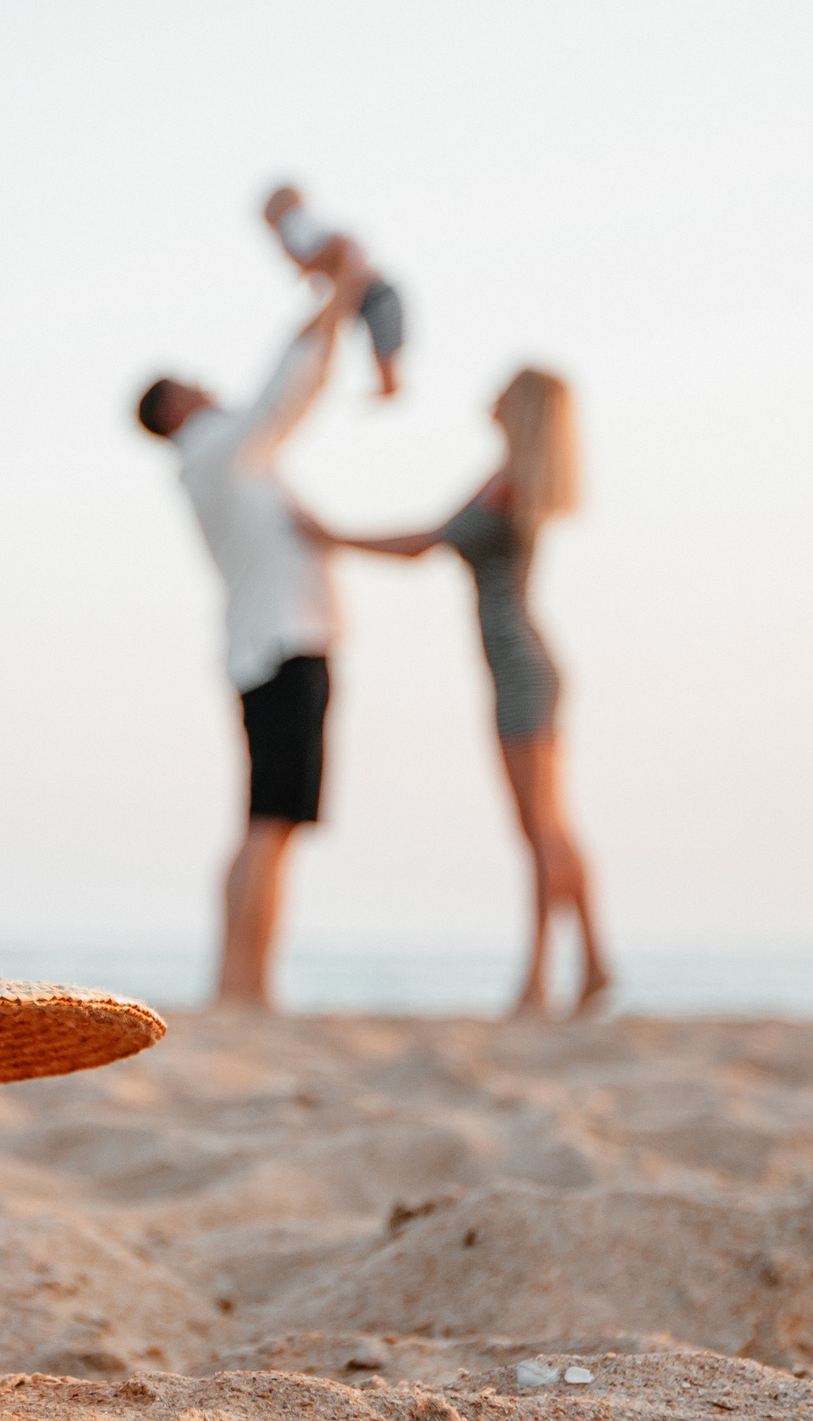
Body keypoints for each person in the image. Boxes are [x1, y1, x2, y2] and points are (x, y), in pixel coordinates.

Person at [297, 367, 613, 1019]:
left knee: (539, 828)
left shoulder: (508, 484)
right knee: (550, 826)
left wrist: (333, 536)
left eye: (504, 389)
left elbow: (425, 542)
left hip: (521, 667)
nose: (490, 393)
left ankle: (540, 977)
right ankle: (592, 967)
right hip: (524, 664)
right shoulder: (512, 478)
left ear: (522, 407)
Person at [136, 277, 367, 1010]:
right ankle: (248, 985)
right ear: (176, 409)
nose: (207, 386)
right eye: (191, 384)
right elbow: (284, 391)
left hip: (271, 647)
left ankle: (238, 980)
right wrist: (343, 291)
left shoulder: (227, 461)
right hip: (284, 647)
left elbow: (290, 390)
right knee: (272, 825)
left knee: (264, 825)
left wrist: (328, 308)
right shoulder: (214, 450)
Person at [264, 185, 404, 398]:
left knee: (379, 352)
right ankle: (386, 389)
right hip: (361, 288)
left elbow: (343, 245)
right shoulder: (299, 226)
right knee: (376, 350)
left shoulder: (295, 226)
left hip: (368, 289)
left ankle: (386, 390)